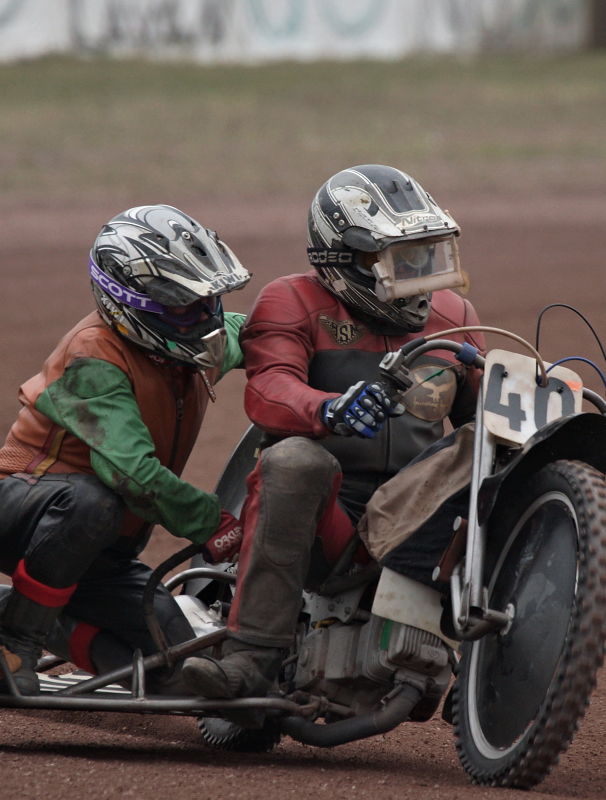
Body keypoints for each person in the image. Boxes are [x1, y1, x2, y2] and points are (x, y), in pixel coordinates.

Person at [180, 165, 485, 699]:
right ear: (344, 260)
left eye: (422, 252)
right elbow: (269, 388)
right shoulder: (290, 300)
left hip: (417, 511)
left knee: (493, 450)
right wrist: (330, 409)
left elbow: (481, 410)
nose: (416, 271)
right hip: (334, 519)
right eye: (394, 257)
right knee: (295, 459)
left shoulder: (454, 311)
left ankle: (491, 655)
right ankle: (249, 660)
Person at [0, 204, 251, 694]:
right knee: (96, 502)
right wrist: (215, 522)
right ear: (130, 301)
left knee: (176, 668)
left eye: (207, 299)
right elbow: (130, 474)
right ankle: (13, 643)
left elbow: (272, 332)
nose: (203, 316)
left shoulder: (195, 342)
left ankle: (6, 608)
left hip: (104, 551)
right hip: (16, 511)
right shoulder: (93, 355)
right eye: (183, 303)